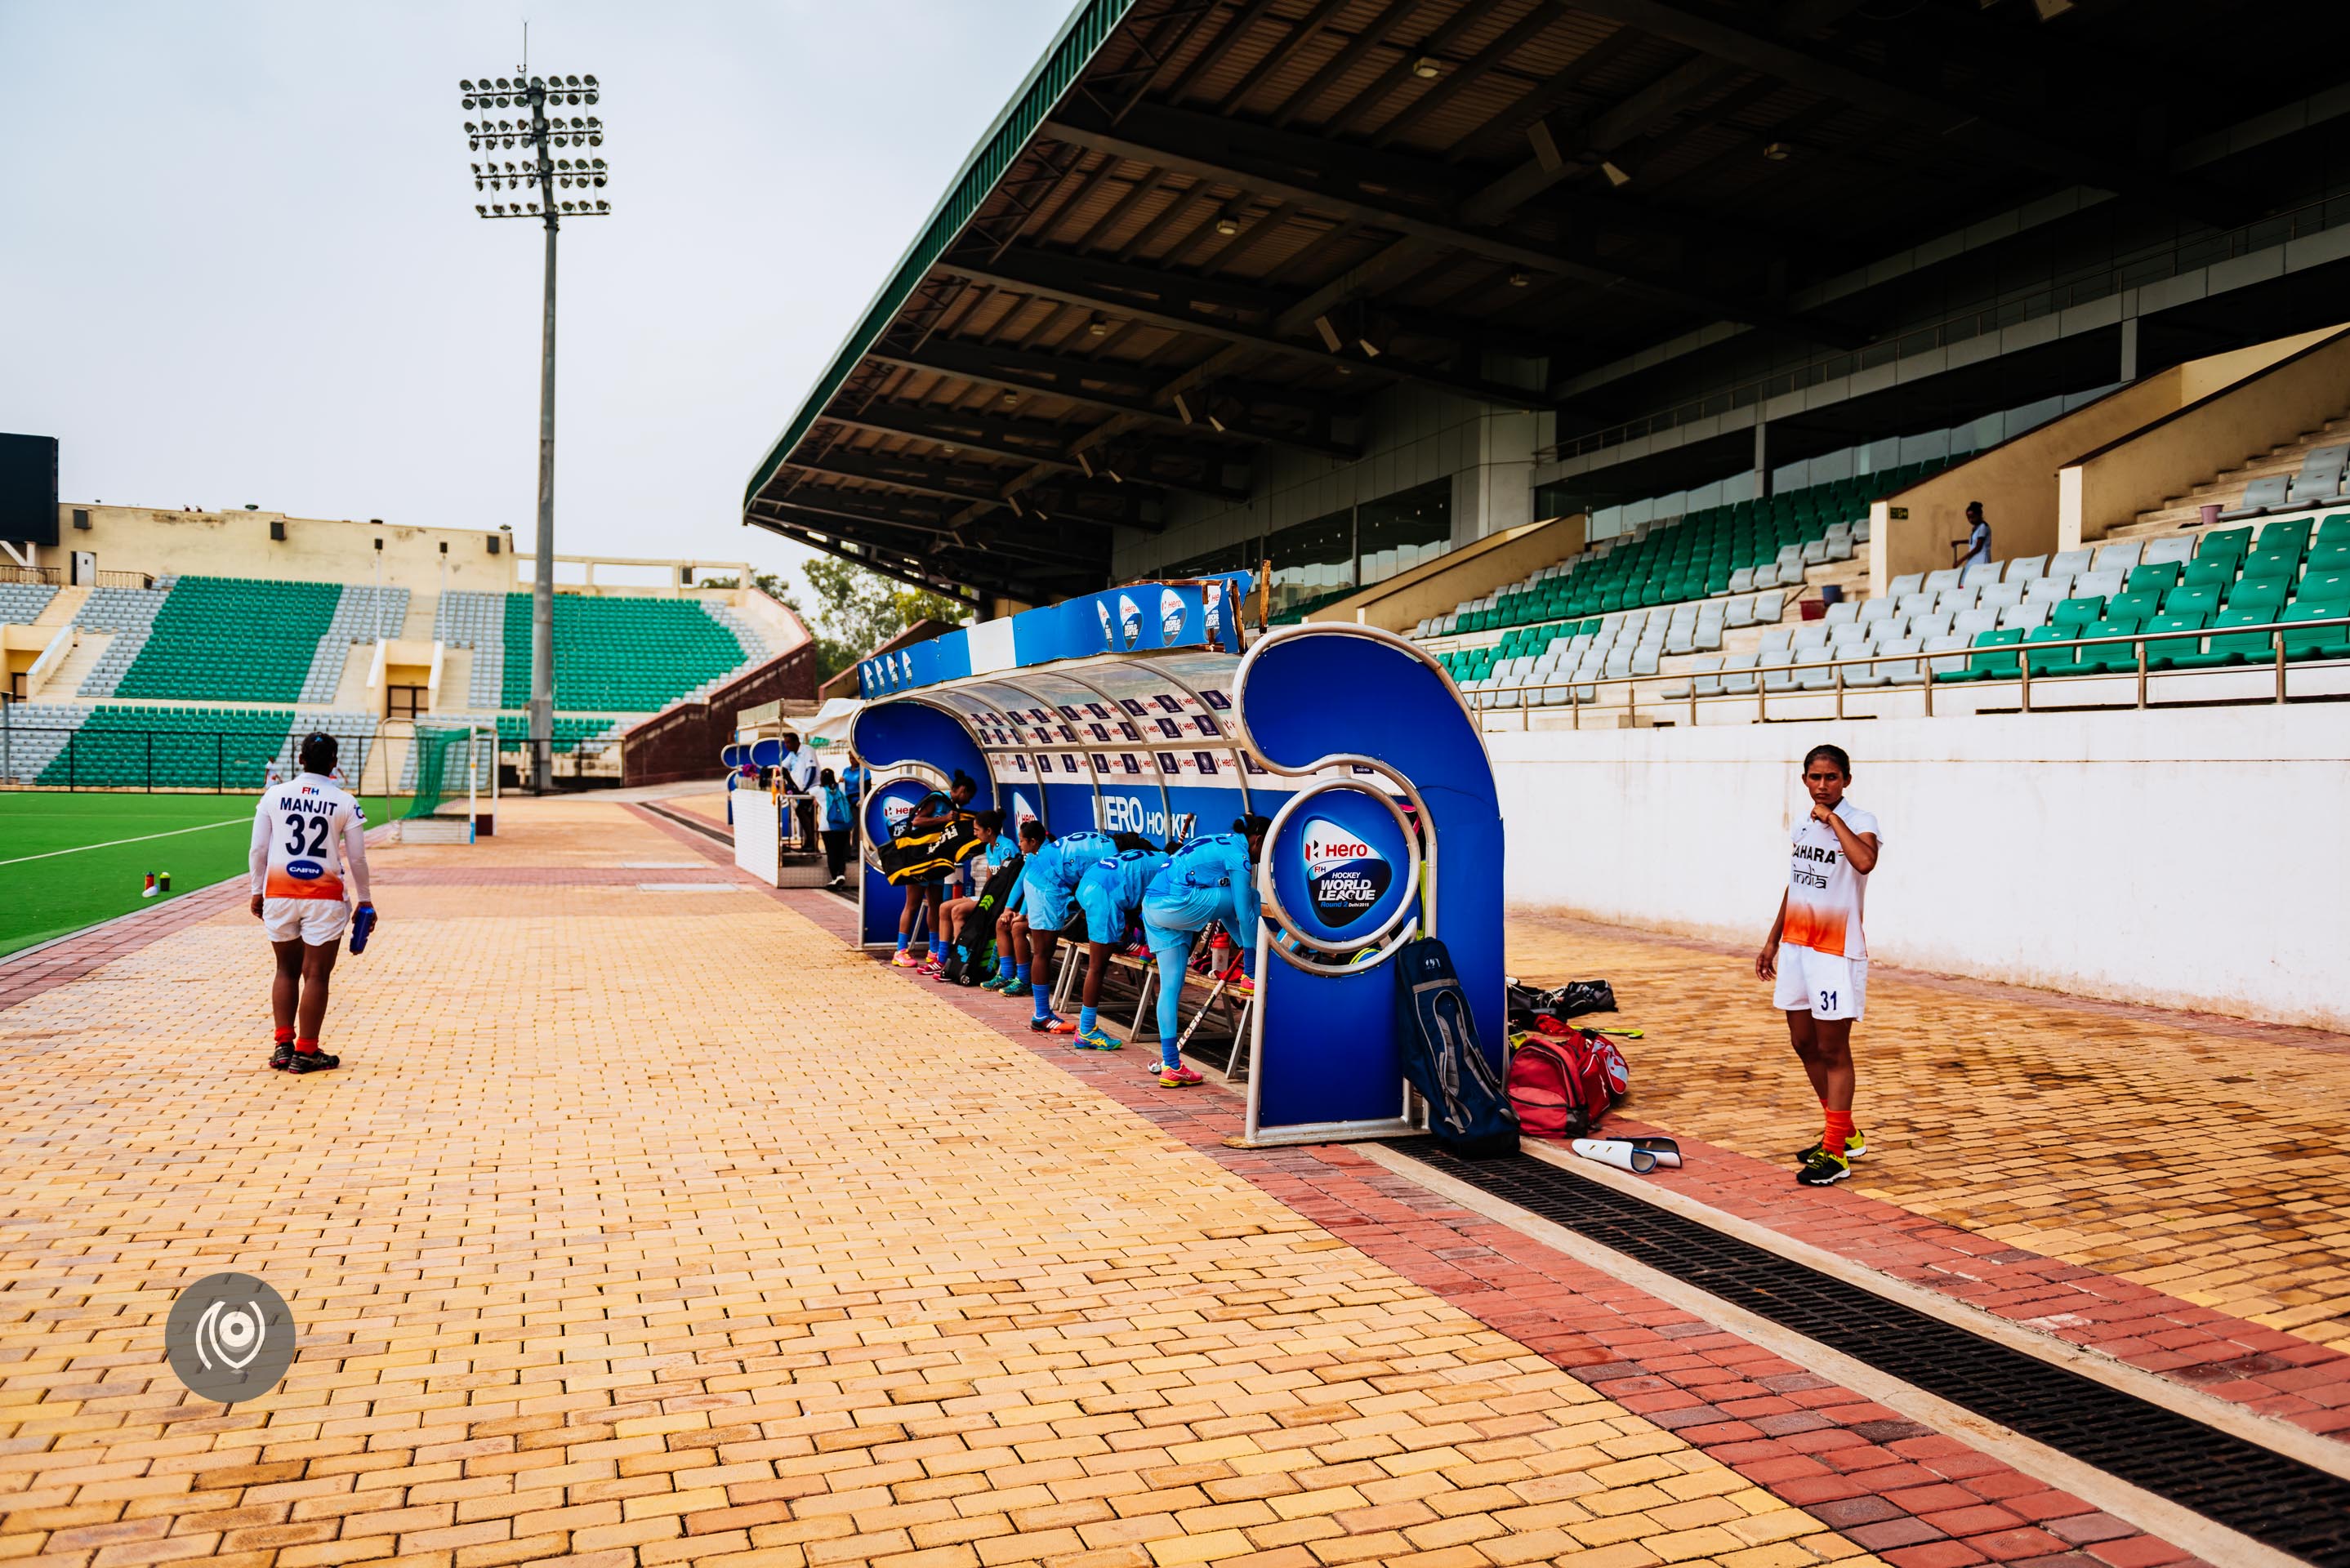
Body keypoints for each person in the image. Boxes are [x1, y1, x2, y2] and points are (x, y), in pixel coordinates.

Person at [1755, 744, 1882, 1187]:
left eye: (1831, 777)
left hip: (1834, 952)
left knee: (1833, 1049)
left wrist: (1833, 819)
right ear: (1805, 779)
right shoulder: (1801, 828)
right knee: (1803, 1043)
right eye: (1815, 777)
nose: (1823, 786)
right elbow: (1797, 886)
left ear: (1846, 779)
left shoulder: (1861, 822)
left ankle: (1835, 1152)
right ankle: (1843, 1132)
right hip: (1797, 947)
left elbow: (1864, 862)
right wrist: (1773, 939)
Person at [249, 731, 375, 1074]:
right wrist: (365, 901)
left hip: (279, 890)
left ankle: (282, 1046)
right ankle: (306, 1052)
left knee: (285, 970)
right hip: (324, 896)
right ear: (334, 764)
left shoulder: (275, 794)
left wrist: (256, 890)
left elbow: (259, 849)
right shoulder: (345, 801)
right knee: (317, 974)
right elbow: (359, 859)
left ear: (301, 760)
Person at [1136, 816, 1270, 1087]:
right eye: (1265, 848)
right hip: (1175, 903)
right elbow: (1243, 912)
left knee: (1171, 987)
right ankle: (1252, 972)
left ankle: (1171, 1066)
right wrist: (1253, 955)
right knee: (1251, 898)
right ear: (1256, 840)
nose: (1263, 856)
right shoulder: (1239, 853)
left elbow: (1228, 907)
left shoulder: (1217, 840)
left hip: (1152, 907)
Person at [1004, 821, 1117, 1030]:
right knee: (1043, 953)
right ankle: (1041, 1015)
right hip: (1045, 888)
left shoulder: (1105, 843)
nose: (1019, 845)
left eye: (1021, 840)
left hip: (1044, 884)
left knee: (1043, 952)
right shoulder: (1111, 855)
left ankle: (1042, 1014)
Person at [1066, 841, 1172, 1050]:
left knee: (1101, 961)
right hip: (1102, 894)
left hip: (1089, 881)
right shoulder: (1169, 867)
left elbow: (1135, 906)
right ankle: (1086, 1031)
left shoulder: (1151, 856)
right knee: (1097, 967)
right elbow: (1156, 911)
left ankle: (1087, 1029)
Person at [894, 771, 977, 971]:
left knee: (935, 905)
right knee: (912, 905)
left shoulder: (955, 809)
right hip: (918, 859)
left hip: (936, 862)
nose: (968, 801)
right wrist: (945, 819)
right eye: (969, 797)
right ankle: (900, 951)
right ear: (962, 791)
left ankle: (934, 950)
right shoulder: (937, 799)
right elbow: (917, 821)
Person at [935, 809, 1014, 977]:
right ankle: (942, 959)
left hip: (1000, 900)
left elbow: (1009, 880)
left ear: (989, 831)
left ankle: (961, 958)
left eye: (977, 830)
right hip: (988, 895)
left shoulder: (1007, 847)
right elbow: (990, 877)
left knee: (957, 911)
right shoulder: (988, 847)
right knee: (944, 907)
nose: (974, 833)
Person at [780, 732, 819, 851]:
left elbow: (811, 770)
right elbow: (783, 767)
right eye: (785, 743)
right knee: (804, 814)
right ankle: (809, 843)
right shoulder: (793, 754)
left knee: (804, 813)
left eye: (788, 743)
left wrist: (805, 789)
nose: (787, 746)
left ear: (796, 742)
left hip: (811, 789)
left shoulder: (807, 751)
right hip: (801, 790)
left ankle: (812, 844)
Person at [817, 768, 854, 888]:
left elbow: (806, 790)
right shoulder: (841, 787)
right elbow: (843, 783)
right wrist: (841, 781)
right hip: (843, 825)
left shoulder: (819, 791)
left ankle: (834, 878)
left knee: (831, 853)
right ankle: (841, 874)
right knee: (841, 852)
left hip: (827, 826)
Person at [1955, 501, 1991, 568]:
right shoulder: (1976, 527)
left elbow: (1978, 547)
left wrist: (1961, 560)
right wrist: (1959, 542)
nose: (1971, 520)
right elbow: (1973, 541)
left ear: (1980, 515)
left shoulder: (1983, 527)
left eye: (1973, 517)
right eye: (1969, 518)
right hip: (1973, 559)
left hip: (1981, 560)